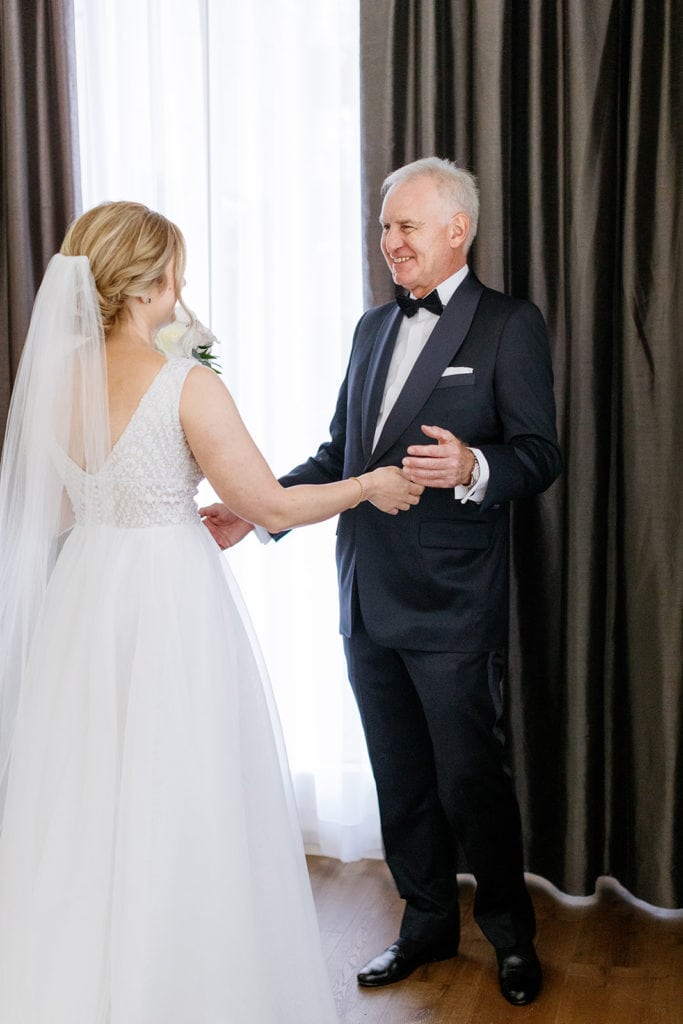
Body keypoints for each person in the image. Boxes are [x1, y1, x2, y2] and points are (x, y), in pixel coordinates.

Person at [0, 201, 422, 1024]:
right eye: (175, 274)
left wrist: (115, 497)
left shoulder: (56, 383)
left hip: (86, 596)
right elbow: (267, 504)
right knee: (181, 789)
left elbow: (49, 513)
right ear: (155, 282)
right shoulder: (184, 383)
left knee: (90, 792)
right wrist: (369, 485)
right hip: (166, 599)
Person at [201, 157, 562, 1008]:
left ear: (455, 231)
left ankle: (511, 938)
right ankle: (426, 923)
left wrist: (473, 464)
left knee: (473, 781)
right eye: (383, 227)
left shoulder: (509, 325)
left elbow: (540, 457)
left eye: (405, 226)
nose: (389, 242)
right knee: (397, 778)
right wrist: (261, 512)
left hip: (452, 602)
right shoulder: (369, 329)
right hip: (365, 595)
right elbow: (342, 458)